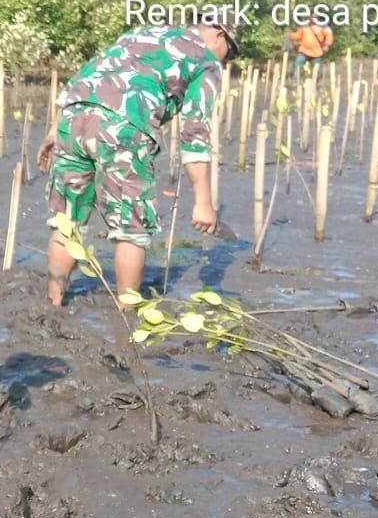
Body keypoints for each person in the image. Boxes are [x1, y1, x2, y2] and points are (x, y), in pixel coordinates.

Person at [36, 20, 238, 306]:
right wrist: (203, 202)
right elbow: (195, 131)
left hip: (73, 117)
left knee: (67, 220)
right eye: (230, 53)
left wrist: (54, 129)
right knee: (132, 230)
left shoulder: (143, 32)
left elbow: (90, 71)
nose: (227, 61)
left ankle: (54, 302)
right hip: (123, 127)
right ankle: (126, 314)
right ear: (220, 35)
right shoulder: (206, 60)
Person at [289, 12, 333, 79]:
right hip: (304, 50)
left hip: (317, 52)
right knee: (298, 63)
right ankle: (295, 80)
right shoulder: (305, 26)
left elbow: (329, 36)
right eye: (313, 17)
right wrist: (292, 36)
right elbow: (298, 35)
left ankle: (317, 81)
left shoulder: (323, 27)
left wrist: (326, 45)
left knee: (317, 68)